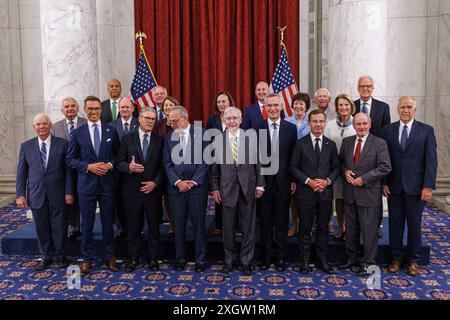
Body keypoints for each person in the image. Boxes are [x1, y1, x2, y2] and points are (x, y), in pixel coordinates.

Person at [382, 96, 437, 276]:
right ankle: (396, 258)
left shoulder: (426, 131)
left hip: (417, 188)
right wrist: (384, 182)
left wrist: (428, 186)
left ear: (415, 109)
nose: (405, 110)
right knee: (395, 224)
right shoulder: (387, 131)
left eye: (409, 107)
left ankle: (413, 260)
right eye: (402, 107)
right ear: (397, 110)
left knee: (415, 225)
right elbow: (384, 160)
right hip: (394, 187)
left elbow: (431, 161)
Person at [67, 96, 121, 276]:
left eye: (97, 109)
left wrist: (110, 165)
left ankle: (110, 256)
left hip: (107, 185)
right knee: (87, 224)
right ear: (85, 110)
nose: (94, 112)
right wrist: (87, 167)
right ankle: (86, 259)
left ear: (101, 110)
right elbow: (70, 160)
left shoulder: (110, 131)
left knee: (107, 223)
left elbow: (117, 156)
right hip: (86, 186)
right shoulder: (77, 133)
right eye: (90, 109)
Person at [212, 107, 265, 276]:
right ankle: (229, 261)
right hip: (227, 190)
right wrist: (214, 188)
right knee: (227, 228)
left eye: (235, 118)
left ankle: (246, 261)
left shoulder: (251, 138)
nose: (232, 121)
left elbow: (259, 163)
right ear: (224, 121)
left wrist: (260, 185)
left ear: (241, 120)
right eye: (229, 119)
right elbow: (214, 169)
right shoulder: (217, 141)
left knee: (248, 228)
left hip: (248, 188)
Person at [16, 114, 73, 270]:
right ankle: (46, 256)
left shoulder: (63, 144)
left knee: (59, 226)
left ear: (51, 125)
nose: (41, 127)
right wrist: (20, 194)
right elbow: (21, 172)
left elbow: (68, 172)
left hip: (59, 193)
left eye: (44, 124)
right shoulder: (26, 146)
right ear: (34, 127)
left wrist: (69, 191)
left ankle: (61, 256)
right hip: (36, 194)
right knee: (41, 227)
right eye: (38, 124)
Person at [289, 109, 340, 274]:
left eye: (321, 121)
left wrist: (327, 181)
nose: (318, 124)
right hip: (305, 193)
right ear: (309, 123)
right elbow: (293, 167)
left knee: (323, 228)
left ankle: (323, 260)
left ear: (325, 123)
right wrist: (308, 181)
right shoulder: (300, 143)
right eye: (314, 121)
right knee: (305, 228)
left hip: (325, 193)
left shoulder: (331, 145)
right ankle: (304, 261)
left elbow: (336, 168)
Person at [340, 113, 391, 275]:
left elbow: (385, 167)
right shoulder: (347, 142)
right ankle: (352, 259)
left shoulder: (379, 143)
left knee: (369, 232)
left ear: (370, 125)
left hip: (369, 194)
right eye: (358, 124)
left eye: (364, 124)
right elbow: (340, 162)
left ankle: (368, 262)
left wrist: (364, 179)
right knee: (351, 230)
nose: (361, 127)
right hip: (350, 194)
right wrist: (345, 171)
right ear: (353, 126)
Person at [163, 106, 209, 272]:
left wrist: (193, 182)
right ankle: (180, 258)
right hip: (176, 190)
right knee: (179, 225)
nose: (171, 124)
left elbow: (205, 162)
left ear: (184, 118)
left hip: (197, 189)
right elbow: (167, 164)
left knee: (199, 225)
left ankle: (200, 259)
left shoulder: (202, 134)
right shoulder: (168, 138)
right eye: (170, 121)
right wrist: (178, 182)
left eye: (174, 121)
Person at [117, 107, 164, 272]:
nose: (151, 121)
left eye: (153, 119)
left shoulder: (159, 140)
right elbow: (119, 163)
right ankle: (133, 259)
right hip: (131, 192)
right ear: (139, 119)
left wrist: (155, 183)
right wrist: (129, 167)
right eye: (147, 118)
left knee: (153, 227)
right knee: (133, 227)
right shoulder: (127, 138)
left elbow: (162, 167)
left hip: (152, 192)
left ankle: (153, 258)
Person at [257, 94, 297, 271]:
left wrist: (294, 179)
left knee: (281, 222)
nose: (272, 108)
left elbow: (294, 157)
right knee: (265, 222)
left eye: (275, 105)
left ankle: (280, 256)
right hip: (263, 183)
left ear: (281, 106)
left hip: (284, 182)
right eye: (269, 106)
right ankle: (266, 256)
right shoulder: (257, 128)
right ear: (265, 107)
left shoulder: (291, 128)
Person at [354, 75, 391, 238]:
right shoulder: (352, 106)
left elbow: (386, 134)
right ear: (358, 88)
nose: (366, 89)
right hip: (356, 155)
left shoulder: (383, 107)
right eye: (363, 86)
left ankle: (376, 225)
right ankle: (355, 226)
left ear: (373, 88)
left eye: (369, 86)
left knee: (375, 197)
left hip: (376, 156)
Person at [51, 97, 87, 240]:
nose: (70, 109)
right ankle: (73, 227)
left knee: (84, 200)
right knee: (68, 198)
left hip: (84, 168)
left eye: (73, 106)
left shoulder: (86, 123)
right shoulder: (55, 127)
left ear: (78, 108)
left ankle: (85, 227)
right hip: (64, 170)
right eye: (66, 107)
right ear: (62, 110)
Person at [324, 94, 357, 241]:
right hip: (335, 167)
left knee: (350, 199)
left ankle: (351, 228)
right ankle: (341, 227)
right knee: (339, 198)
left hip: (352, 169)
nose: (343, 107)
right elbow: (325, 145)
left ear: (351, 106)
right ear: (336, 108)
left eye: (346, 104)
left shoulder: (357, 123)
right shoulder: (330, 124)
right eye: (340, 105)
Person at [110, 97, 140, 240]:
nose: (124, 110)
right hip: (117, 172)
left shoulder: (139, 123)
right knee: (118, 201)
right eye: (122, 107)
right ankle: (121, 228)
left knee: (136, 203)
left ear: (133, 109)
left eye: (127, 107)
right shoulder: (111, 126)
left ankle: (137, 228)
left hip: (136, 172)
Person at [206, 91, 235, 236]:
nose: (221, 104)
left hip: (235, 161)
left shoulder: (236, 116)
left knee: (235, 192)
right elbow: (208, 140)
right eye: (219, 102)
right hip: (217, 161)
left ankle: (235, 225)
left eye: (224, 101)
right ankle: (219, 224)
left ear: (229, 102)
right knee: (219, 191)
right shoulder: (212, 120)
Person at [285, 92, 311, 237]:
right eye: (296, 103)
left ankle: (307, 226)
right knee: (293, 197)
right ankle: (295, 224)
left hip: (308, 164)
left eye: (301, 103)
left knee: (307, 198)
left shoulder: (312, 120)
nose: (298, 106)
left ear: (306, 106)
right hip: (291, 164)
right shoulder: (286, 121)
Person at [156, 96, 179, 238]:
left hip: (179, 165)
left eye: (170, 105)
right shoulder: (158, 124)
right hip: (163, 164)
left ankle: (180, 221)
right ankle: (172, 223)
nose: (167, 107)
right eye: (165, 105)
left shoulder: (180, 122)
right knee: (167, 197)